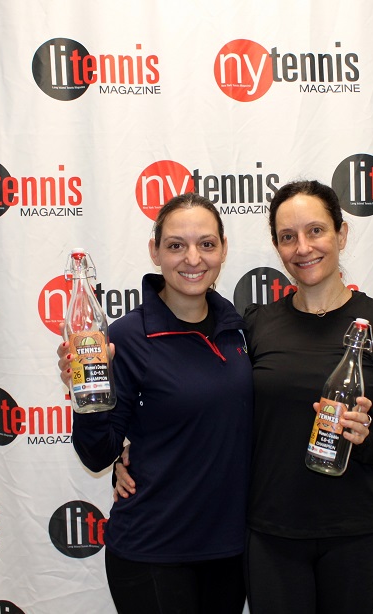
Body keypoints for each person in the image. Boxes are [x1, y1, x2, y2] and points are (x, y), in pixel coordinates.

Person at [113, 180, 373, 614]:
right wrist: (131, 456)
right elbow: (207, 399)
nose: (303, 247)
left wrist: (366, 440)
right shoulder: (255, 325)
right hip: (270, 534)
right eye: (288, 236)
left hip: (357, 531)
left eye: (316, 231)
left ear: (341, 234)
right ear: (277, 246)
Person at [59, 193, 253, 614]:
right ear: (155, 251)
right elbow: (97, 454)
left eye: (206, 244)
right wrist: (87, 401)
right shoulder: (126, 337)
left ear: (223, 249)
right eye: (176, 245)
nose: (193, 258)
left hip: (229, 550)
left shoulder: (240, 330)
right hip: (153, 550)